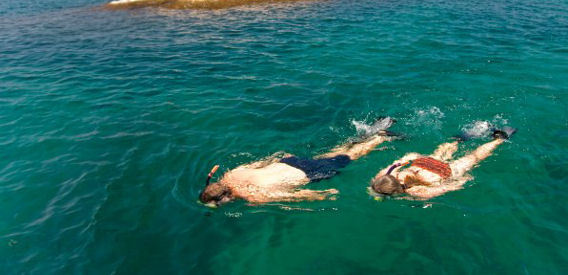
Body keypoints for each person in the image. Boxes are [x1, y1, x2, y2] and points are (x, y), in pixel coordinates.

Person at [199, 117, 398, 207]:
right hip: (288, 162)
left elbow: (292, 196)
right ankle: (361, 138)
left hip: (305, 174)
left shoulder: (253, 197)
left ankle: (380, 137)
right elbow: (259, 163)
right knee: (330, 155)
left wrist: (321, 195)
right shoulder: (232, 173)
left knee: (352, 157)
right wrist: (279, 158)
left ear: (223, 198)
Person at [369, 127, 516, 200]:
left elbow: (447, 188)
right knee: (443, 151)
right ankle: (459, 140)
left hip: (444, 172)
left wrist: (462, 180)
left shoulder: (416, 192)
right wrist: (413, 157)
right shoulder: (387, 175)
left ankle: (499, 139)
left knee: (474, 157)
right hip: (422, 163)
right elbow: (398, 162)